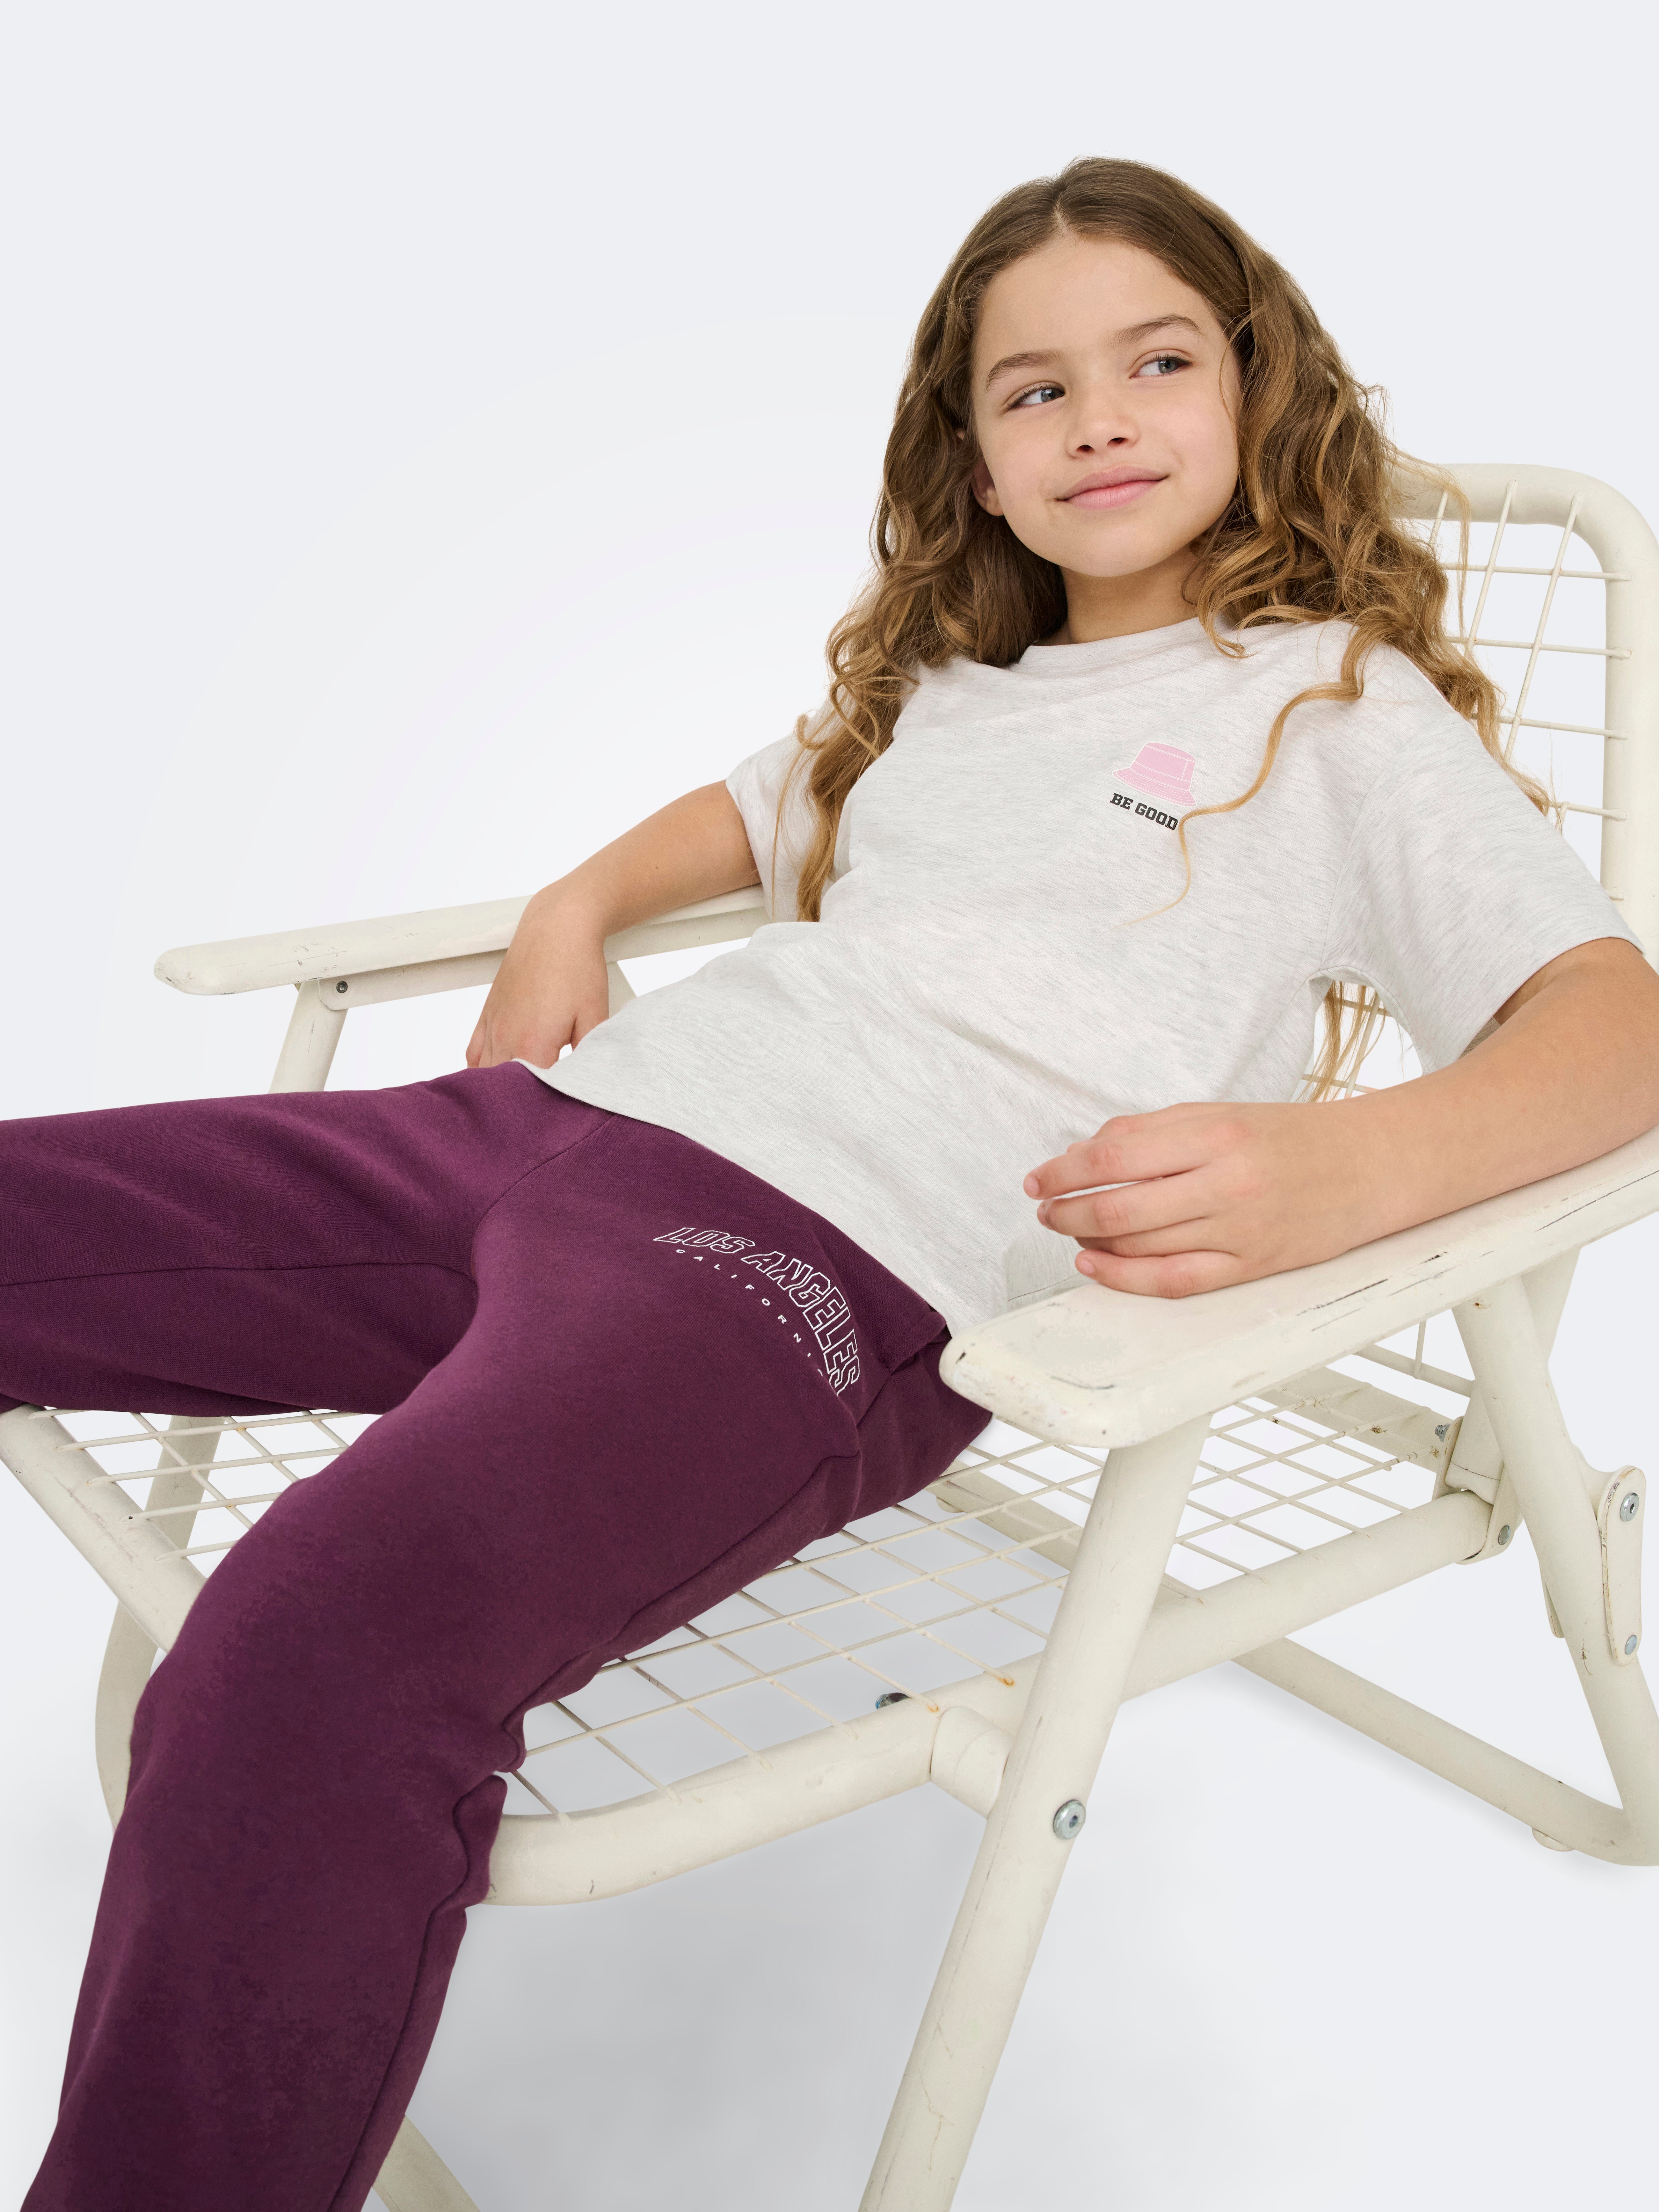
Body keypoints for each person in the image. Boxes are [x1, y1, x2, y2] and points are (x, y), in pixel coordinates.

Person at [6, 155, 1658, 2211]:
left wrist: (1349, 1165)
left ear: (1259, 391)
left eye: (1157, 361)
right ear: (973, 462)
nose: (1098, 418)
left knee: (307, 1660)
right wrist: (574, 903)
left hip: (789, 1261)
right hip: (538, 1132)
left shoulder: (1334, 709)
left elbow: (1615, 1028)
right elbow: (750, 807)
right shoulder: (949, 693)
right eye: (1032, 389)